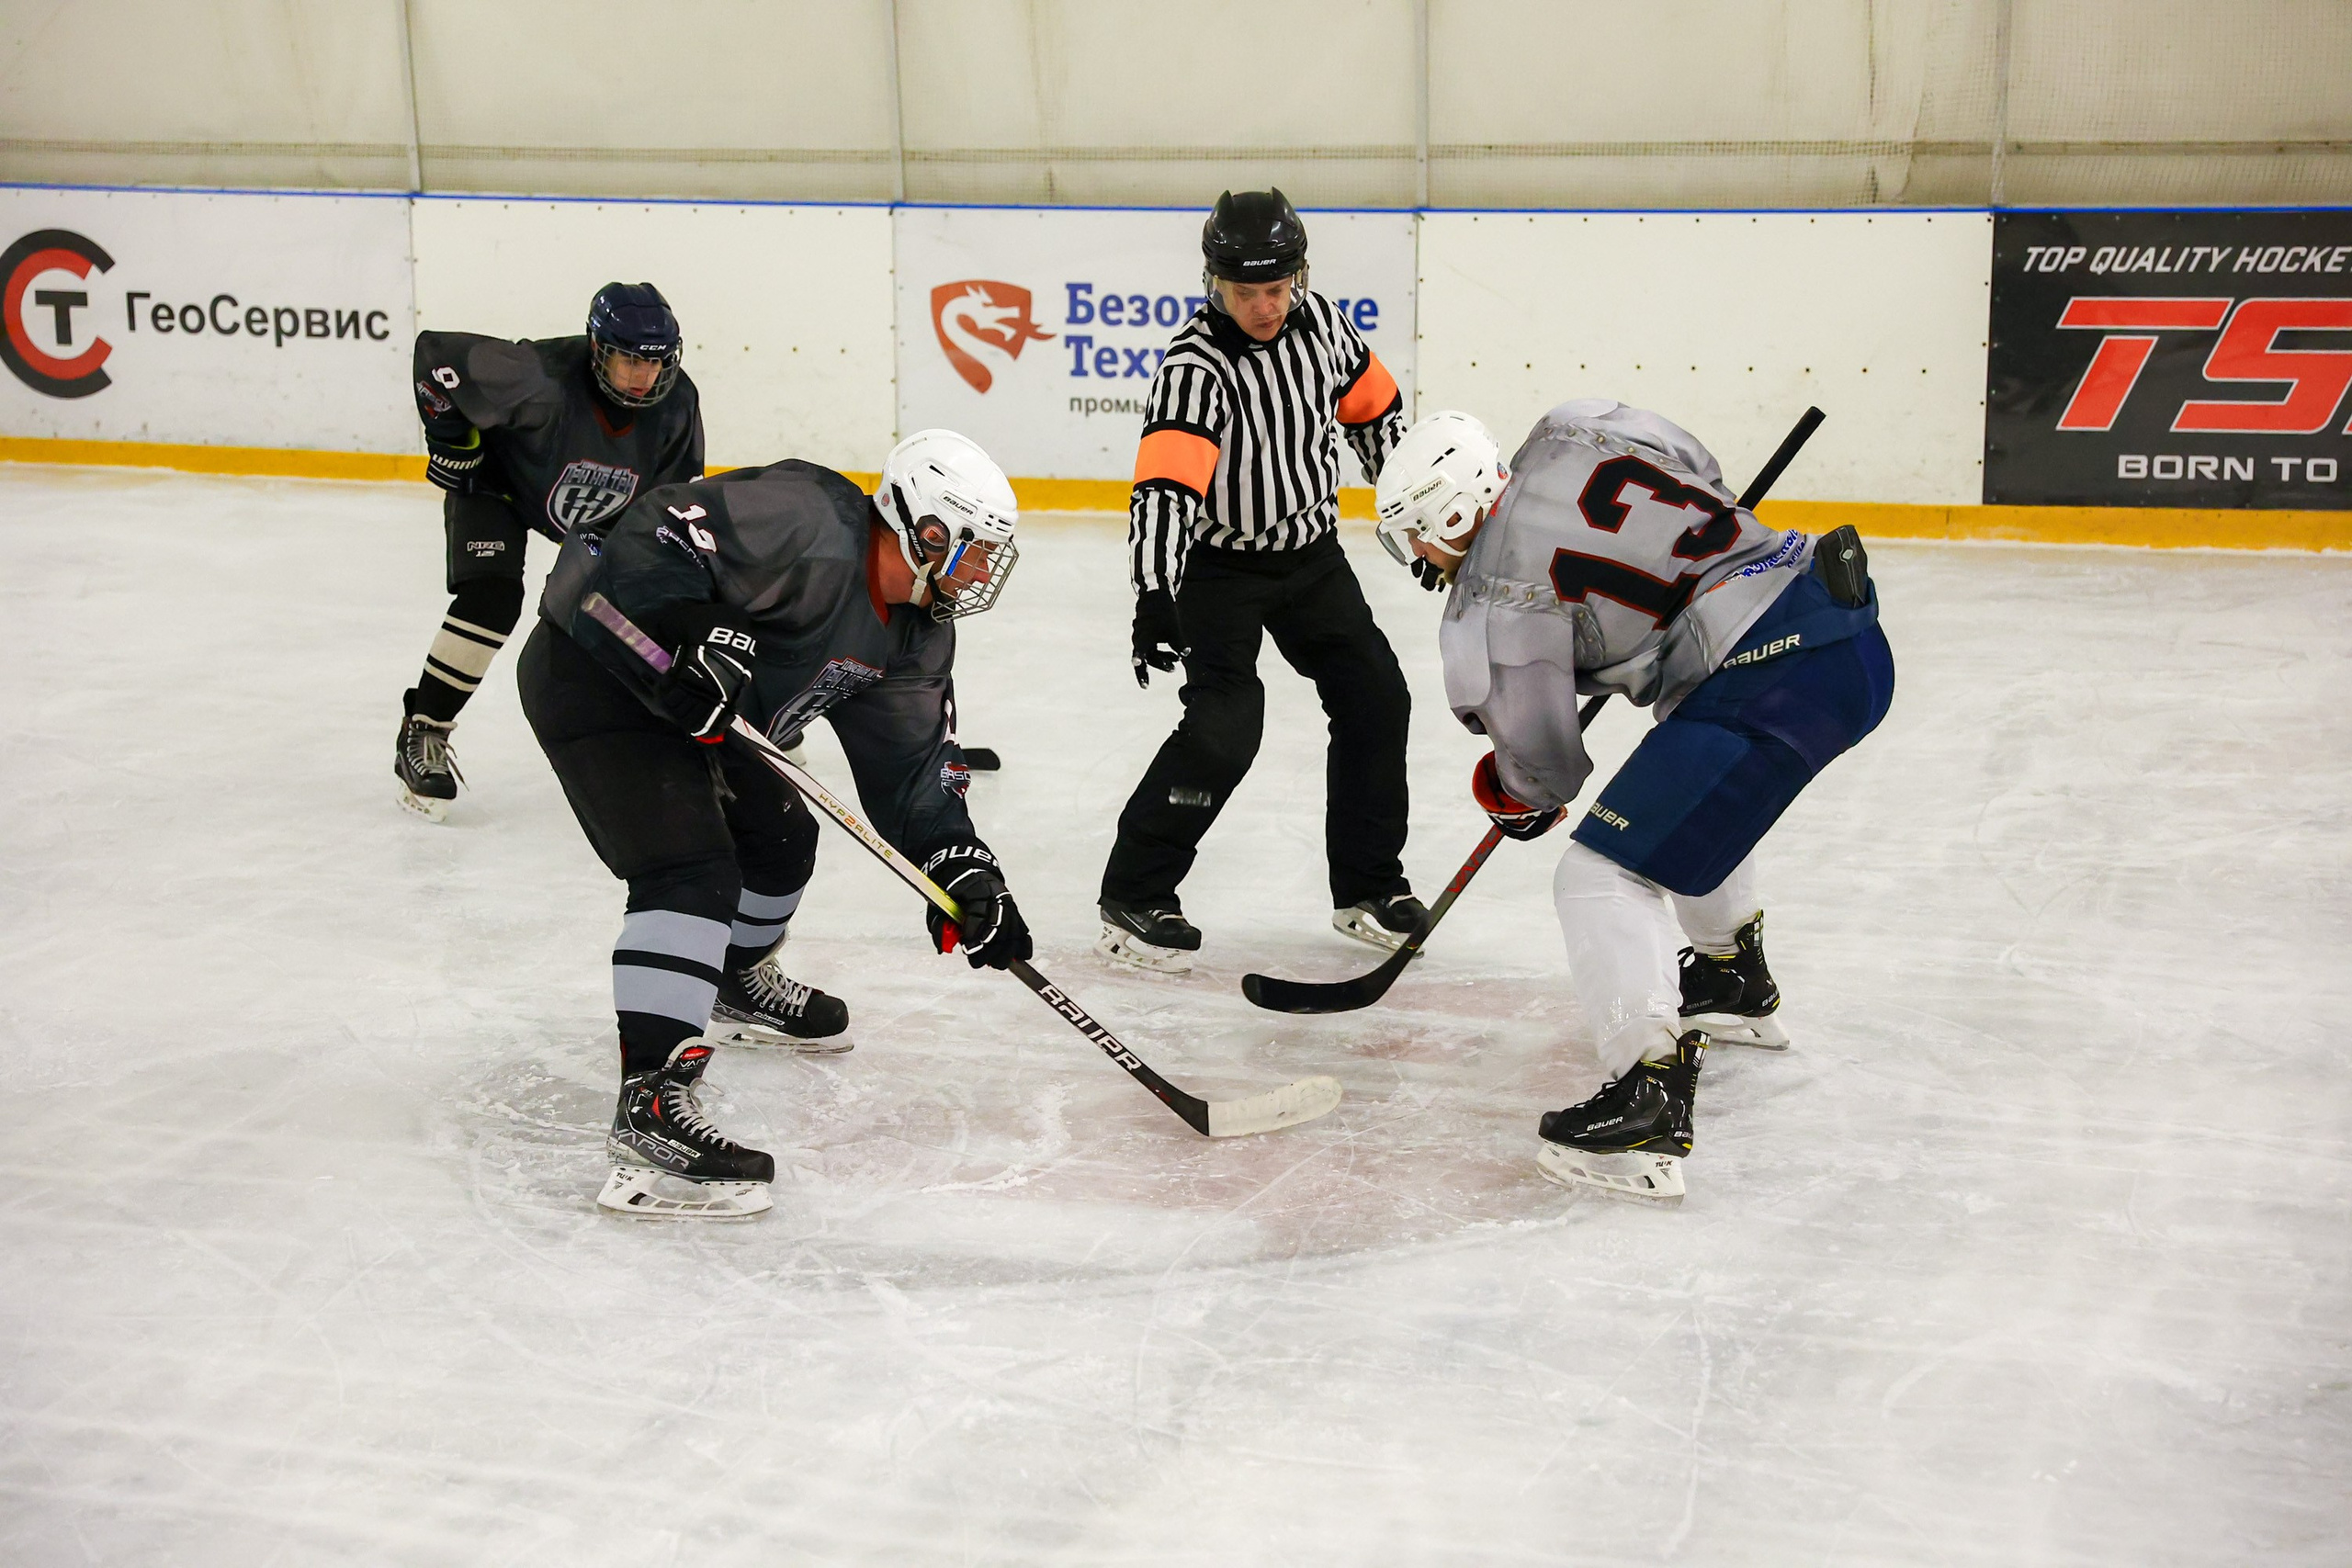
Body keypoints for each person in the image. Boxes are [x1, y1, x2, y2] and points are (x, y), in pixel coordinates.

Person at [1372, 402, 1894, 1205]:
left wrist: (1510, 794)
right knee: (1690, 778)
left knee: (1597, 874)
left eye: (1419, 533)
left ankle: (1647, 1098)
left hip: (1773, 681)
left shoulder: (1493, 598)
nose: (1419, 555)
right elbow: (1701, 467)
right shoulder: (1572, 431)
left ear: (1452, 510)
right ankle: (1730, 977)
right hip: (1842, 625)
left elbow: (1544, 768)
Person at [520, 429, 1031, 1218]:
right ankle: (649, 1110)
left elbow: (914, 774)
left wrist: (963, 866)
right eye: (973, 549)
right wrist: (688, 631)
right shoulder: (807, 516)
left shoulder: (917, 632)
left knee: (785, 838)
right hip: (600, 665)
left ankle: (733, 978)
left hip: (715, 716)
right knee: (690, 871)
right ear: (928, 532)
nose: (979, 571)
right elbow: (653, 530)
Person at [1099, 187, 1422, 975]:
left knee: (1377, 694)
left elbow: (1378, 420)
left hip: (1311, 556)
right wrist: (1153, 593)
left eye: (1276, 289)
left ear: (1297, 277)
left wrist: (1418, 522)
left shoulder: (1327, 329)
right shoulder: (1194, 366)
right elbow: (1166, 490)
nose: (1265, 306)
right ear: (1216, 284)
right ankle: (1135, 892)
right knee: (1226, 725)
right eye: (1247, 292)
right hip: (1220, 569)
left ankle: (1369, 887)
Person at [396, 282, 704, 820]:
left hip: (600, 516)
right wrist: (452, 440)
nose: (645, 376)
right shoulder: (538, 375)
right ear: (597, 349)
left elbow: (678, 498)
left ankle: (691, 737)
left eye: (656, 363)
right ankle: (425, 729)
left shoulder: (678, 404)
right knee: (490, 601)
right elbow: (436, 356)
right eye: (630, 360)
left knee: (642, 609)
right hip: (501, 488)